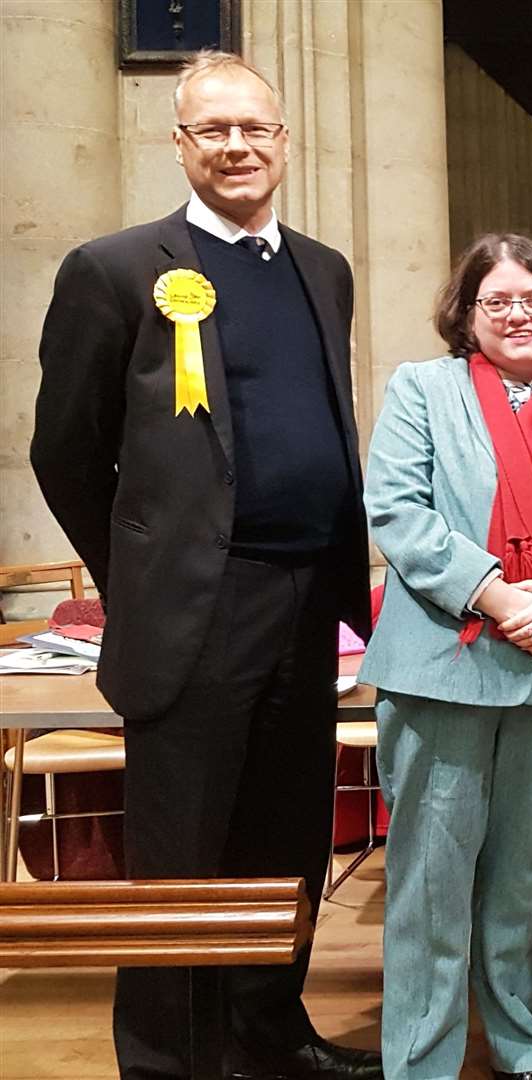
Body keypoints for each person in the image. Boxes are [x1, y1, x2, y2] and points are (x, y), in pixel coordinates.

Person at [29, 50, 378, 1079]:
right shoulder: (117, 268)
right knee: (180, 850)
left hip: (308, 599)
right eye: (213, 129)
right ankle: (168, 1059)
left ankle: (269, 1032)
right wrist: (140, 567)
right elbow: (65, 450)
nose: (237, 146)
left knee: (285, 837)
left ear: (283, 141)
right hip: (195, 611)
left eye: (254, 128)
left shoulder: (323, 269)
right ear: (180, 144)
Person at [359, 233, 532, 1079]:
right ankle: (421, 1059)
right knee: (432, 884)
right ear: (466, 314)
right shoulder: (422, 391)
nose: (517, 314)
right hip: (446, 661)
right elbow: (397, 511)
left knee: (519, 880)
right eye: (497, 301)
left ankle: (520, 1042)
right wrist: (499, 594)